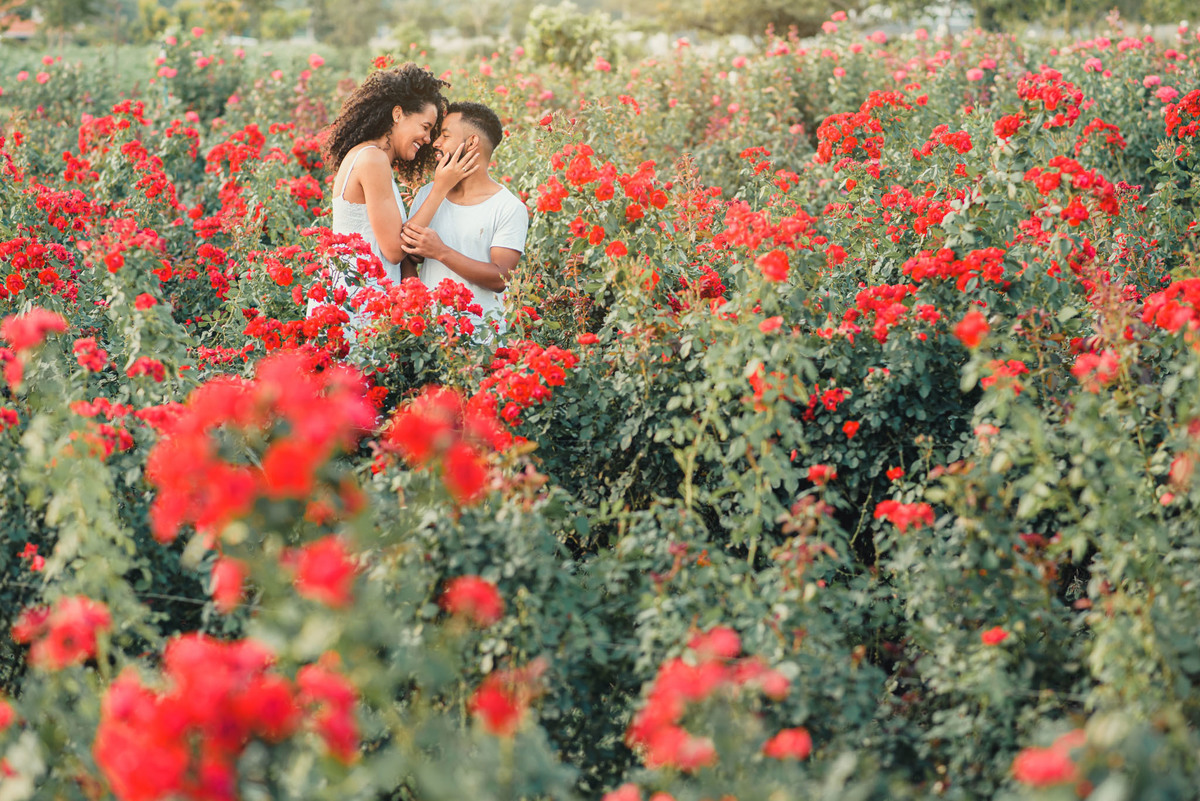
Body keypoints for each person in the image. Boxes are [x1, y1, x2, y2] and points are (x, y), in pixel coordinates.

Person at [314, 64, 480, 323]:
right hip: (355, 303)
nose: (427, 138)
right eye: (425, 126)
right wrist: (441, 186)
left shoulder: (372, 158)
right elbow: (393, 250)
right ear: (398, 114)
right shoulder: (372, 159)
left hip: (360, 297)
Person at [400, 101, 529, 336]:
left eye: (445, 136)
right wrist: (413, 310)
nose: (435, 142)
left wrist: (441, 252)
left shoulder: (508, 207)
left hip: (480, 342)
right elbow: (408, 257)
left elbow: (501, 277)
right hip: (427, 337)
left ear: (471, 142)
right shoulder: (428, 194)